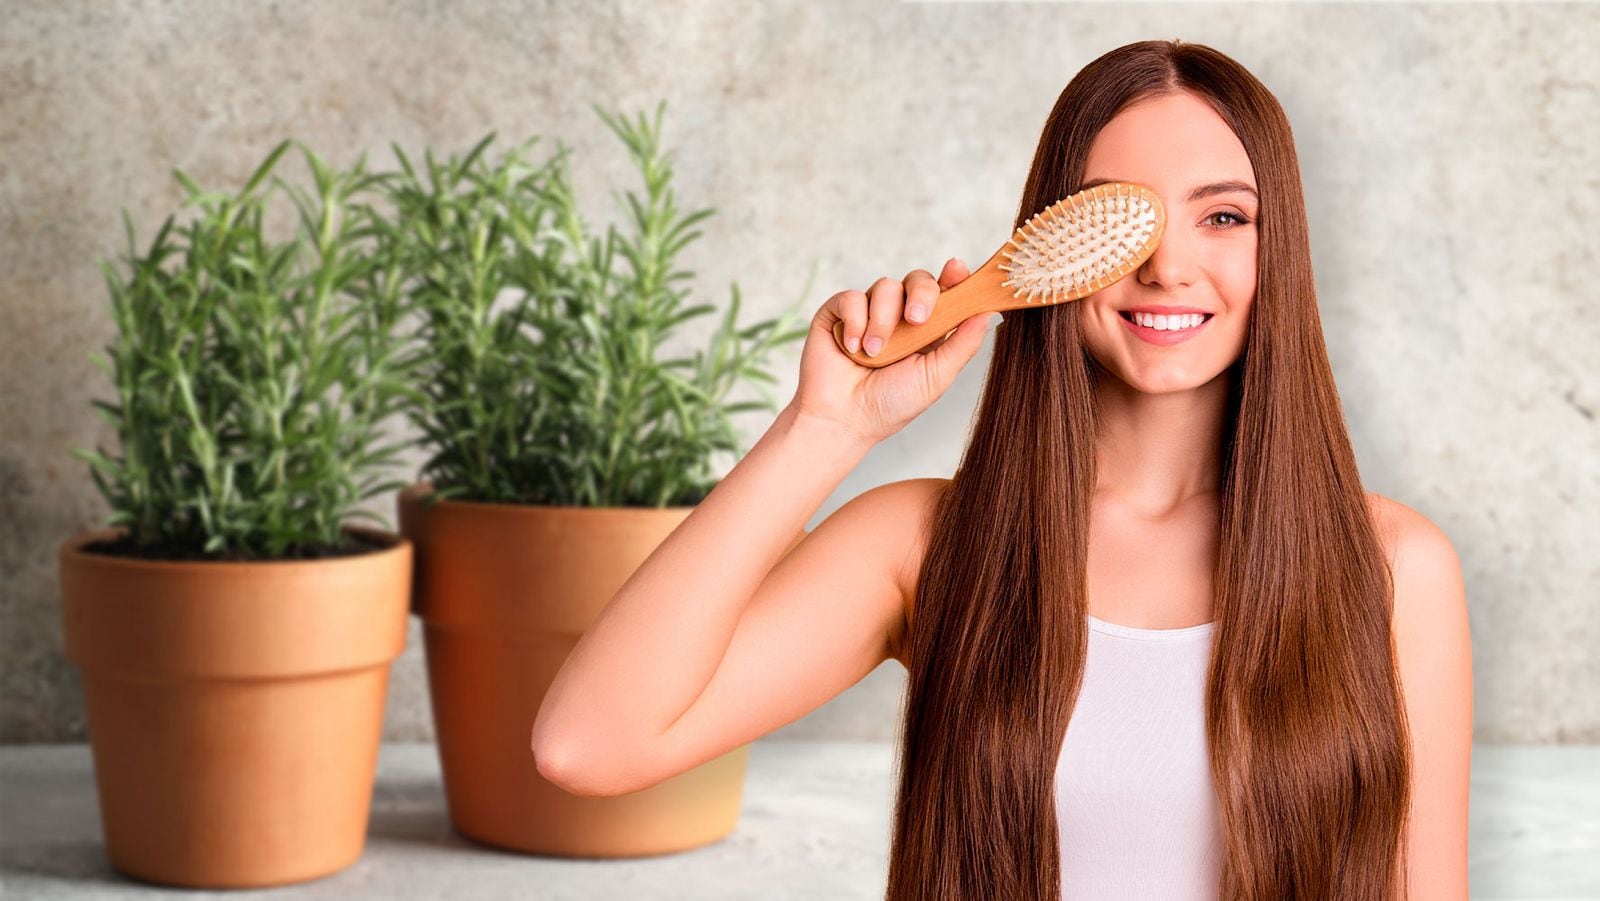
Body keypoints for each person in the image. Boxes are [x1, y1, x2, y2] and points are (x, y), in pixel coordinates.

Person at [532, 38, 1472, 901]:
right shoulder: (927, 545)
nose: (1168, 266)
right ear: (1049, 244)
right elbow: (586, 744)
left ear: (1284, 252)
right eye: (1124, 221)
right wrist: (825, 427)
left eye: (1224, 216)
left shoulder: (1393, 569)